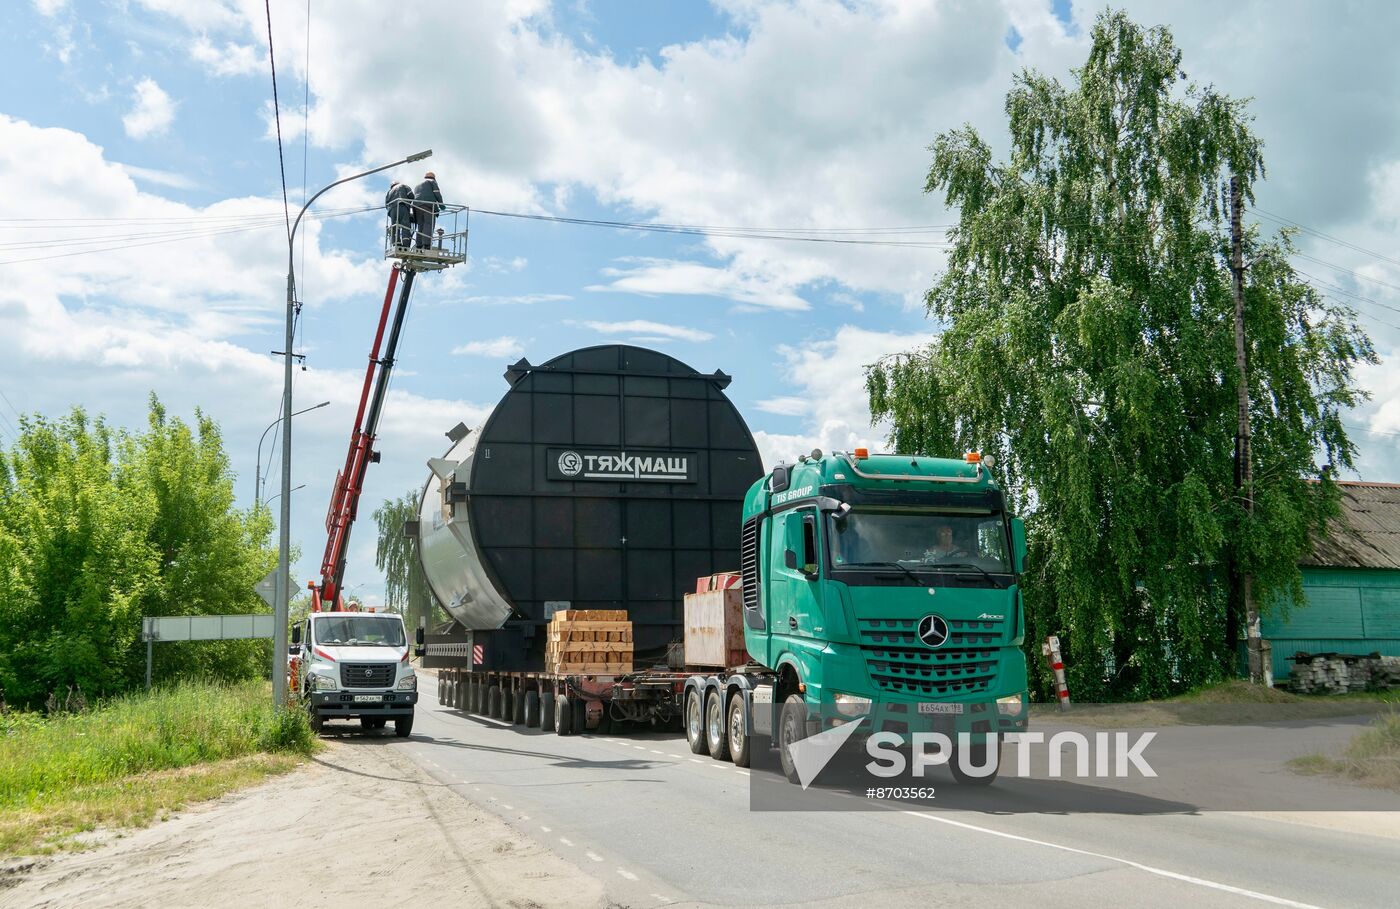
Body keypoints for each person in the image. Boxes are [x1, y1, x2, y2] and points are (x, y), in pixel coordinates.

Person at [412, 171, 443, 249]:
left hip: (416, 207)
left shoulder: (417, 185)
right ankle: (426, 244)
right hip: (428, 205)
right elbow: (437, 193)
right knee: (428, 224)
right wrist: (441, 204)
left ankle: (418, 245)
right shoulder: (432, 182)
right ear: (433, 178)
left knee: (420, 226)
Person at [385, 180, 415, 248]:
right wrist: (409, 204)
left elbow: (386, 204)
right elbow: (411, 195)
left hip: (392, 210)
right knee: (405, 225)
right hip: (402, 206)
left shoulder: (389, 192)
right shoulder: (403, 186)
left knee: (395, 227)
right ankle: (406, 244)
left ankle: (396, 243)